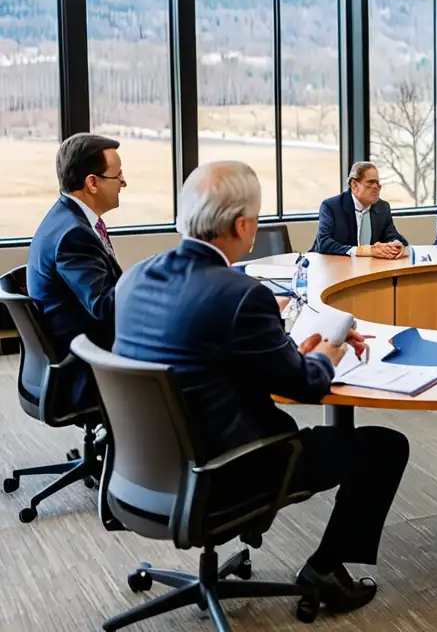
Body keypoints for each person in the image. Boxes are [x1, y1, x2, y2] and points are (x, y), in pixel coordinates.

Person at [114, 161, 409, 613]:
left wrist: (285, 344)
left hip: (145, 470)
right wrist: (325, 353)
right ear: (242, 225)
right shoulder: (239, 294)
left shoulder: (135, 277)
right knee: (385, 447)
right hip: (227, 469)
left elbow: (201, 351)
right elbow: (306, 387)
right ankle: (325, 570)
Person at [27, 133, 126, 411]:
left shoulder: (66, 218)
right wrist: (150, 281)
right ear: (92, 183)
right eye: (117, 176)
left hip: (78, 350)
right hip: (84, 369)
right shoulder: (73, 235)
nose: (124, 183)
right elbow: (105, 307)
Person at [312, 162, 408, 259]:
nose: (376, 187)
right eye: (371, 182)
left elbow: (392, 236)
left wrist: (396, 245)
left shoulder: (382, 207)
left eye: (378, 183)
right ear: (354, 185)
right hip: (331, 266)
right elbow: (324, 244)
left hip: (368, 267)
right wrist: (365, 250)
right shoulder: (331, 206)